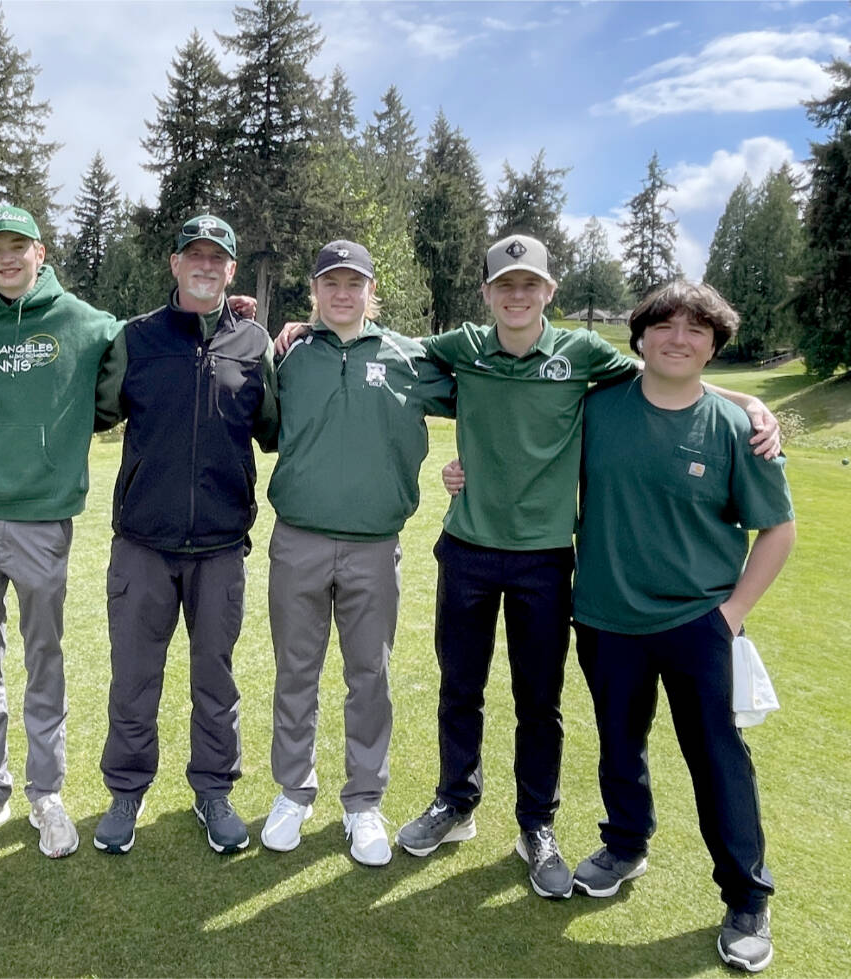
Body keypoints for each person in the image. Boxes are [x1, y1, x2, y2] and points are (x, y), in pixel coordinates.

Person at [392, 234, 780, 900]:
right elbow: (384, 349)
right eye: (503, 285)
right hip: (468, 549)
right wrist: (298, 327)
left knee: (538, 704)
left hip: (547, 557)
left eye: (530, 285)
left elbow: (662, 371)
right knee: (461, 689)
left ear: (550, 292)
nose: (517, 296)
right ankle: (455, 802)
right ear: (486, 294)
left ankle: (536, 825)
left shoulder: (583, 354)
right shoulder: (461, 348)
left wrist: (745, 401)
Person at [570, 281, 793, 972]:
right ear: (639, 336)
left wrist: (728, 617)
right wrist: (462, 469)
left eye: (697, 329)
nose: (678, 337)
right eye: (663, 324)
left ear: (714, 344)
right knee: (618, 745)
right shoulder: (597, 408)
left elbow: (777, 531)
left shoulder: (737, 429)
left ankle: (747, 895)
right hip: (606, 616)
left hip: (699, 621)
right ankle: (626, 845)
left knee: (718, 758)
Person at [0, 206, 122, 860]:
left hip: (43, 516)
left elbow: (131, 362)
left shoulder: (84, 322)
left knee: (45, 658)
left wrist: (230, 314)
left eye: (19, 247)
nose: (7, 259)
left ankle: (47, 792)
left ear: (41, 251)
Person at [260, 240, 455, 866]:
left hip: (375, 546)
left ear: (373, 292)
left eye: (354, 284)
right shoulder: (290, 357)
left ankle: (364, 800)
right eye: (330, 284)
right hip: (298, 540)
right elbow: (261, 420)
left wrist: (471, 462)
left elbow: (493, 397)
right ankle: (294, 791)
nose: (342, 294)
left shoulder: (411, 358)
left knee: (368, 677)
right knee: (296, 672)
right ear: (313, 293)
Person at [92, 214, 279, 855]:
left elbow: (276, 429)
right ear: (174, 264)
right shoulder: (135, 338)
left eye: (217, 257)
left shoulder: (255, 344)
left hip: (222, 547)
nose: (205, 265)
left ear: (230, 269)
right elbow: (91, 408)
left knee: (216, 679)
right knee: (134, 678)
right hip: (144, 544)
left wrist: (305, 337)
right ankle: (125, 792)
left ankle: (214, 789)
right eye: (193, 255)